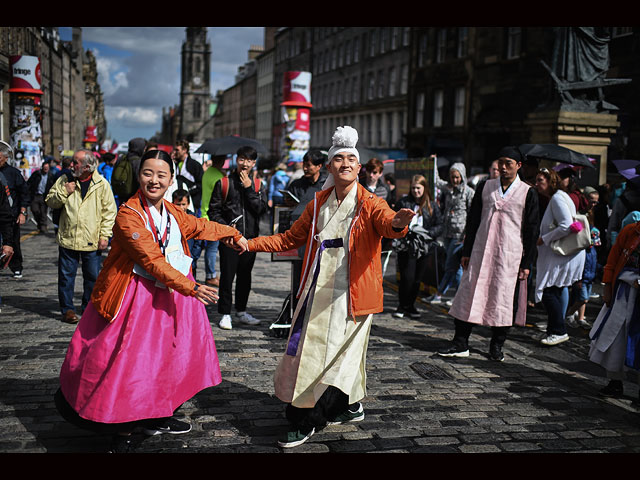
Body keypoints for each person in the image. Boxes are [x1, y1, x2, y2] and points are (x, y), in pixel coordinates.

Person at [53, 149, 246, 453]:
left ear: (171, 180)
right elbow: (151, 259)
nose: (154, 180)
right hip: (136, 297)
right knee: (131, 363)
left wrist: (231, 233)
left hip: (171, 294)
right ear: (138, 175)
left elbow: (198, 226)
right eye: (148, 173)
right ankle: (123, 426)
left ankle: (160, 412)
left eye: (161, 175)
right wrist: (190, 287)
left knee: (171, 358)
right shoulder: (128, 214)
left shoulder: (171, 211)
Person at [243, 125, 413, 448]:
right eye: (339, 159)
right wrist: (251, 244)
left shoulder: (369, 202)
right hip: (317, 288)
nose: (345, 164)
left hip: (353, 293)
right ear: (329, 167)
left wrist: (398, 223)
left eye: (352, 159)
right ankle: (347, 405)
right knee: (310, 351)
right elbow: (290, 238)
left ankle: (307, 418)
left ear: (359, 168)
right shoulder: (318, 202)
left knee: (341, 357)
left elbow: (386, 222)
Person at [439, 146, 539, 362]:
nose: (503, 167)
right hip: (480, 251)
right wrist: (466, 251)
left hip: (509, 255)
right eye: (500, 163)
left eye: (508, 164)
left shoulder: (527, 192)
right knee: (469, 292)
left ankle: (496, 345)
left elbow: (531, 230)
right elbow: (473, 220)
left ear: (518, 166)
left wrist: (527, 262)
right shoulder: (486, 186)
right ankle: (460, 341)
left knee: (502, 298)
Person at [45, 149, 117, 324]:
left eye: (75, 162)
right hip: (68, 237)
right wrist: (64, 191)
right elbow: (50, 201)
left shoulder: (101, 184)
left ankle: (88, 308)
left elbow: (109, 212)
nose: (71, 165)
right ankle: (67, 310)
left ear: (87, 167)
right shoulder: (65, 180)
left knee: (92, 276)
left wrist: (105, 235)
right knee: (66, 277)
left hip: (91, 239)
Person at [209, 145, 267, 330]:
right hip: (230, 239)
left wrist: (249, 189)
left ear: (254, 163)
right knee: (227, 276)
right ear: (236, 159)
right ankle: (225, 313)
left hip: (250, 239)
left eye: (249, 160)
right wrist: (227, 227)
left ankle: (241, 311)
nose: (245, 163)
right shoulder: (224, 183)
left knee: (245, 276)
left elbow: (261, 210)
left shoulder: (258, 185)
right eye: (242, 159)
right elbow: (214, 211)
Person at [588, 218, 640, 402]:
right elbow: (613, 259)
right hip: (624, 293)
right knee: (616, 337)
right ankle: (615, 382)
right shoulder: (630, 231)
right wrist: (608, 285)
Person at [535, 167, 586, 346]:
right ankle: (553, 330)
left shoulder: (557, 198)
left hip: (560, 254)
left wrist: (545, 238)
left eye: (540, 180)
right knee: (555, 289)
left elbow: (567, 225)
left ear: (550, 181)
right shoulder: (558, 197)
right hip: (561, 254)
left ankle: (559, 330)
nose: (537, 184)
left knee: (549, 292)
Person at [392, 174, 443, 319]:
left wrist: (427, 233)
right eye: (413, 188)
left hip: (423, 246)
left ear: (424, 188)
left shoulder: (431, 205)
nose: (416, 191)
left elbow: (439, 225)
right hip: (407, 245)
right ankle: (402, 305)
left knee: (417, 279)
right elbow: (395, 221)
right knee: (407, 277)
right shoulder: (404, 202)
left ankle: (410, 305)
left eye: (418, 188)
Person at [426, 162, 474, 306]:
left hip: (459, 235)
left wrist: (468, 234)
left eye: (457, 177)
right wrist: (434, 163)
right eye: (452, 177)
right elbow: (436, 181)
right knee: (454, 266)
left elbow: (472, 214)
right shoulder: (448, 189)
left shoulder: (468, 192)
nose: (455, 180)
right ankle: (446, 294)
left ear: (462, 177)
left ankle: (445, 294)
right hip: (447, 233)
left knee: (452, 265)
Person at [287, 149, 329, 311]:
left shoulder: (326, 185)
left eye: (309, 165)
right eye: (304, 164)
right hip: (300, 235)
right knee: (298, 274)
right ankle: (297, 309)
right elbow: (287, 205)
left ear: (319, 166)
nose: (305, 168)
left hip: (319, 236)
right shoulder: (296, 184)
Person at [0, 140, 30, 279]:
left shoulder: (13, 173)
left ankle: (16, 267)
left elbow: (24, 193)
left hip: (10, 215)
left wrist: (22, 212)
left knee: (13, 242)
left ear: (6, 158)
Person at [200, 155, 227, 288]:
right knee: (212, 249)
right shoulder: (218, 176)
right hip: (212, 215)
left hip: (203, 212)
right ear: (222, 161)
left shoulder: (208, 172)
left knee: (209, 248)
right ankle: (211, 275)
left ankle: (210, 274)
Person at [172, 188, 204, 281]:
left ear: (188, 204)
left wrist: (192, 258)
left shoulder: (193, 219)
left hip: (190, 261)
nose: (181, 207)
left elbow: (198, 241)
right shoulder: (169, 219)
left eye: (183, 204)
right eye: (178, 204)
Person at [173, 140, 204, 215]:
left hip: (193, 205)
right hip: (178, 205)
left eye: (177, 150)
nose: (175, 152)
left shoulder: (195, 165)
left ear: (184, 150)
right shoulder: (176, 164)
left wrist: (188, 192)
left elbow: (200, 184)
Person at [27, 160, 56, 233]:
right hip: (35, 195)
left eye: (47, 168)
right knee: (35, 210)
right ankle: (39, 223)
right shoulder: (36, 174)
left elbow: (53, 185)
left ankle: (43, 226)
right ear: (42, 167)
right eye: (44, 168)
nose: (46, 169)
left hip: (44, 196)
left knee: (43, 212)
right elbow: (29, 183)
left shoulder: (51, 175)